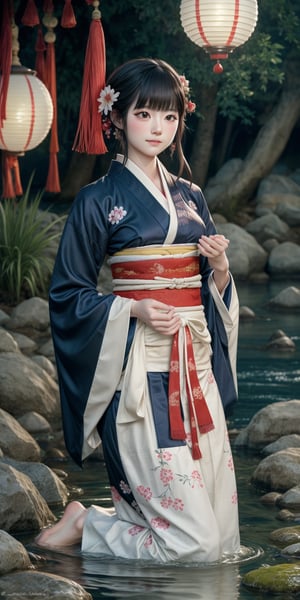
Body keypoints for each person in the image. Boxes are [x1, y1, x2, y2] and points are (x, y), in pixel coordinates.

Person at [36, 57, 240, 563]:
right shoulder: (97, 200)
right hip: (140, 370)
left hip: (195, 367)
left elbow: (208, 288)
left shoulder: (191, 195)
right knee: (195, 546)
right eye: (146, 114)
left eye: (170, 117)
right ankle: (89, 525)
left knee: (223, 540)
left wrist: (219, 270)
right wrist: (134, 308)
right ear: (118, 117)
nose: (158, 129)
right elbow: (67, 294)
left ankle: (104, 527)